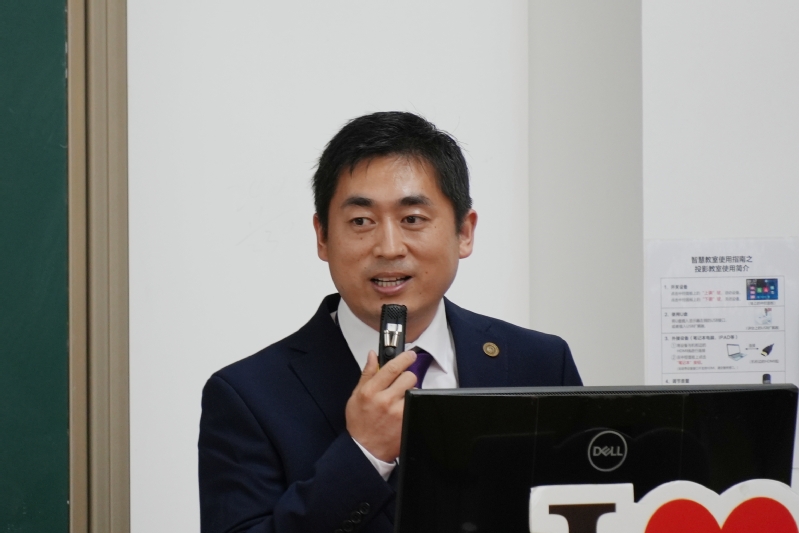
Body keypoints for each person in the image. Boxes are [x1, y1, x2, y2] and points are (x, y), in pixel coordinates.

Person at [198, 111, 582, 533]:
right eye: (361, 222)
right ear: (323, 237)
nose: (388, 247)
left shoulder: (540, 364)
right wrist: (364, 454)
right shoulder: (248, 397)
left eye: (412, 219)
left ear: (464, 232)